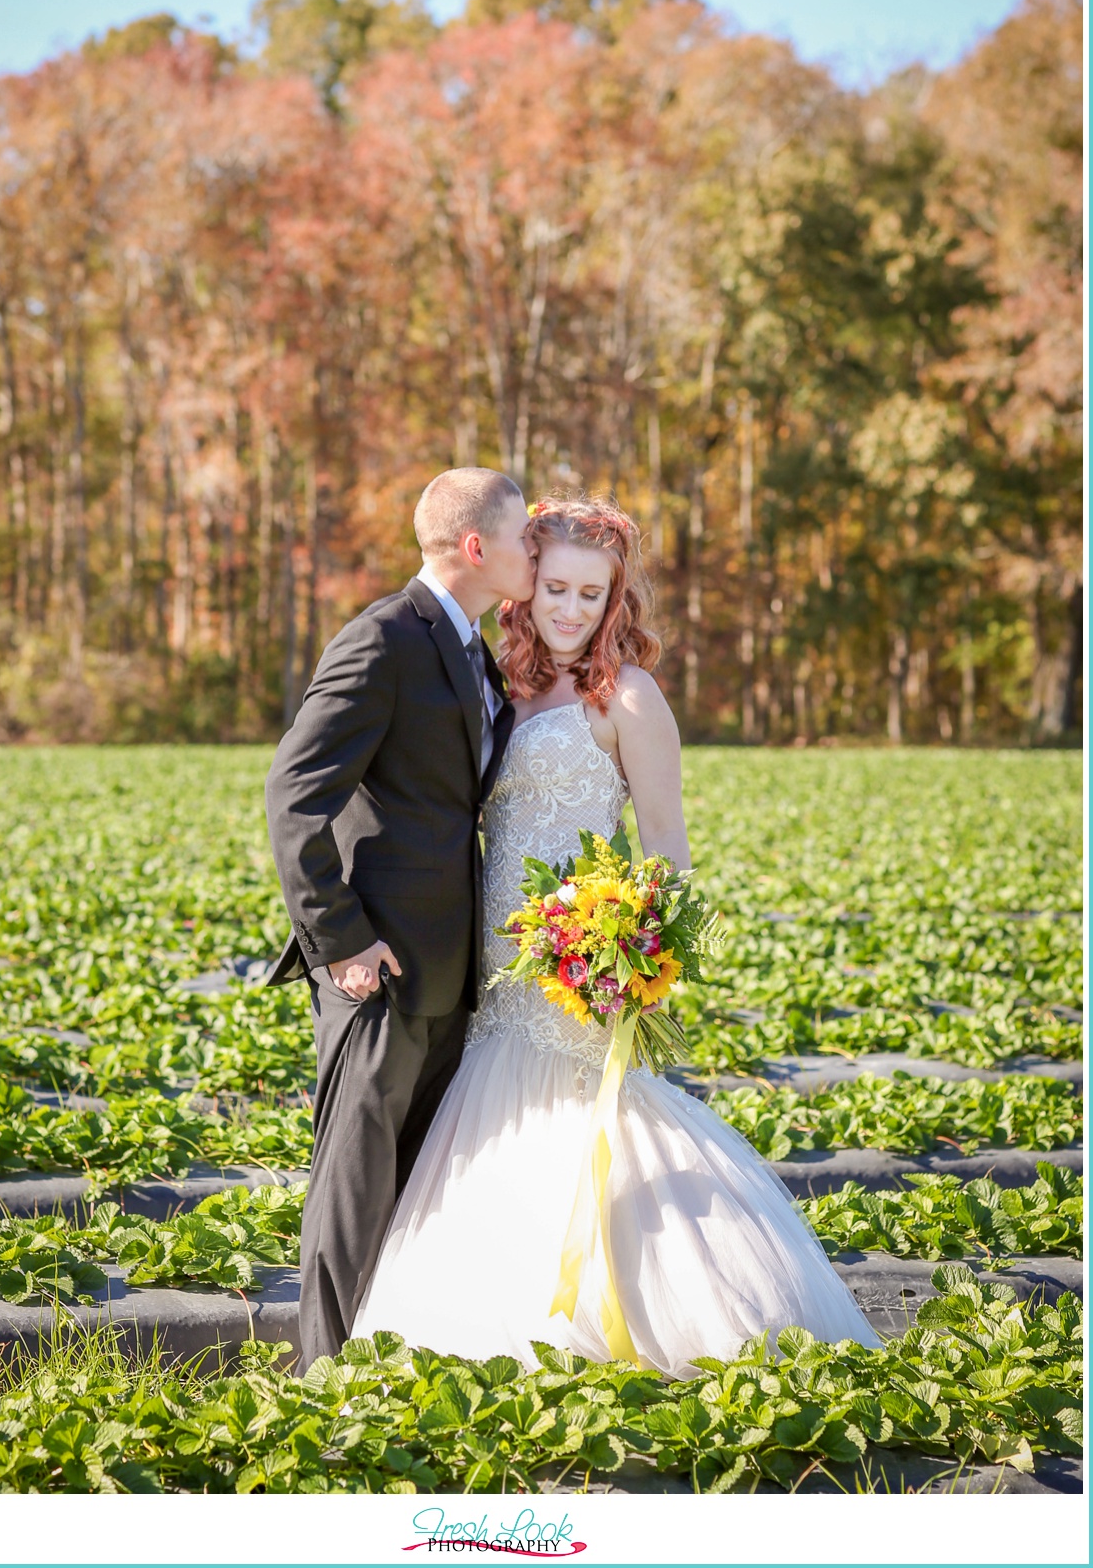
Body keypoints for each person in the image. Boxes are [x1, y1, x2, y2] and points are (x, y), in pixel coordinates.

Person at [350, 495, 881, 1375]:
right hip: (495, 969)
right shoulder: (497, 683)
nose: (569, 609)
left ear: (614, 600)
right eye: (555, 587)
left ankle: (639, 1322)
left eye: (591, 595)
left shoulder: (627, 697)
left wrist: (625, 948)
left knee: (589, 1129)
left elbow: (668, 856)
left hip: (581, 970)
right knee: (496, 1129)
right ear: (525, 586)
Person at [264, 467, 537, 1373]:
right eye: (521, 533)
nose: (531, 548)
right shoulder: (382, 638)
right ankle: (322, 1376)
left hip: (452, 969)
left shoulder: (471, 646)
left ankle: (395, 1358)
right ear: (474, 547)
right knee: (355, 1180)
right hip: (376, 969)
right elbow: (296, 793)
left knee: (419, 1181)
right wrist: (340, 941)